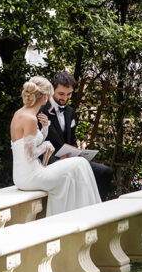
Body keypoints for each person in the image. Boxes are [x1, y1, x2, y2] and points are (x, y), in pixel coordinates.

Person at [11, 75, 100, 216]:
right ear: (46, 97)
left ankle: (80, 212)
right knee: (80, 164)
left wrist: (45, 127)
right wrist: (46, 145)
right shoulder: (30, 119)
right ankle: (86, 214)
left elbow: (32, 142)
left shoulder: (20, 113)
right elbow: (30, 154)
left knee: (79, 165)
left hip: (24, 174)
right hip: (31, 176)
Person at [38, 70, 114, 201]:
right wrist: (55, 161)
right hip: (51, 162)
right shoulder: (41, 109)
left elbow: (72, 140)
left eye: (69, 94)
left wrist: (77, 153)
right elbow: (36, 144)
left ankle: (97, 209)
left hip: (70, 159)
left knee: (105, 172)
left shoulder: (70, 111)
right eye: (61, 94)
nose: (65, 98)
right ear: (52, 90)